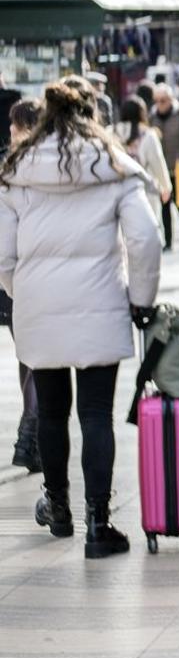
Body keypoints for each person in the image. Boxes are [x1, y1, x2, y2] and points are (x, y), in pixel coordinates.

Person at [0, 82, 161, 558]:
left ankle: (59, 509)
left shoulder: (16, 172)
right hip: (100, 302)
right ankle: (99, 523)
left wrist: (19, 289)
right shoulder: (113, 166)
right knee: (95, 415)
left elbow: (3, 253)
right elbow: (146, 240)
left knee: (50, 412)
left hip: (38, 307)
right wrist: (142, 298)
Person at [2, 98, 42, 472]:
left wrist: (11, 285)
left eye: (17, 125)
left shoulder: (11, 170)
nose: (11, 131)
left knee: (29, 358)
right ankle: (32, 435)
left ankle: (29, 437)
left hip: (21, 283)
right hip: (47, 282)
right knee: (37, 361)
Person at [149, 84, 179, 249]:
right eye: (157, 100)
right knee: (165, 207)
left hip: (178, 167)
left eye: (163, 100)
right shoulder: (152, 117)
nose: (160, 104)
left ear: (170, 99)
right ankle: (168, 241)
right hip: (161, 169)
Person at [115, 97, 173, 208]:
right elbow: (158, 162)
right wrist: (166, 187)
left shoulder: (111, 131)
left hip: (117, 192)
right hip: (144, 192)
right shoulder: (148, 134)